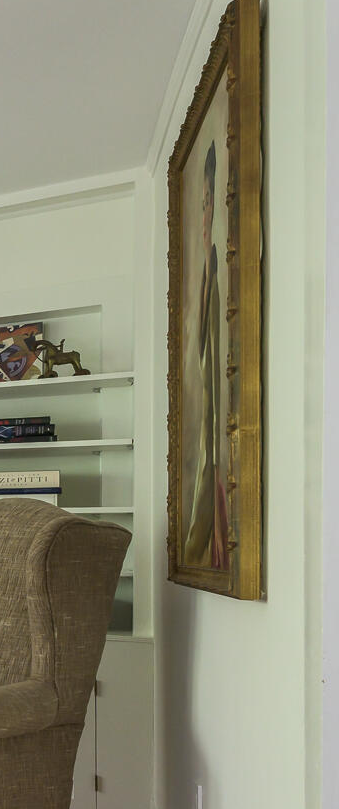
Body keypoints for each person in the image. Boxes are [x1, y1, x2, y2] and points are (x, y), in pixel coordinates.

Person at [182, 143, 227, 570]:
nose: (206, 216)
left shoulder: (214, 269)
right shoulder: (202, 276)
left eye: (211, 201)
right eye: (204, 204)